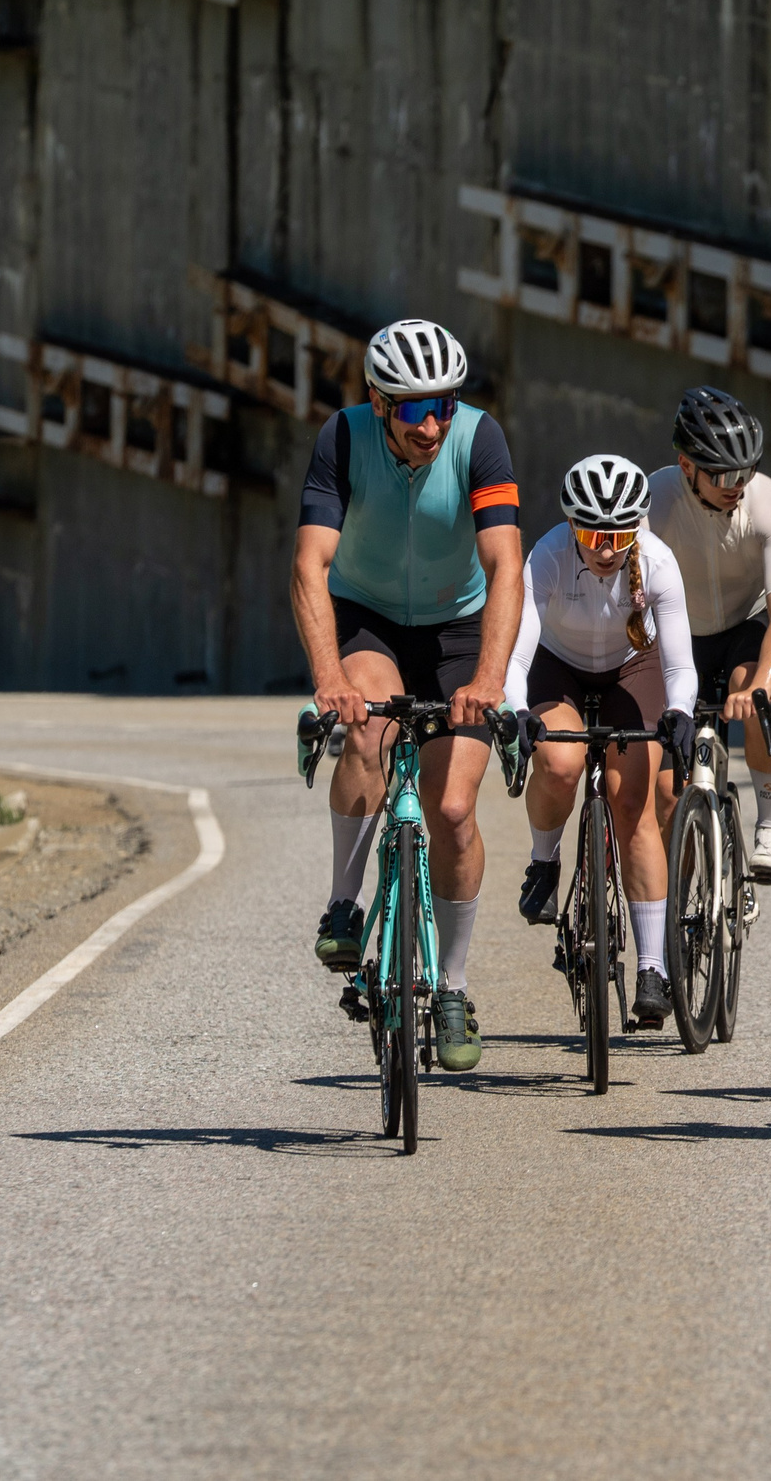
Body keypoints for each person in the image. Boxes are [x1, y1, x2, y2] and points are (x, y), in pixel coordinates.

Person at [292, 320, 523, 1075]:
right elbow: (310, 566)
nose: (433, 424)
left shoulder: (480, 439)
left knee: (453, 809)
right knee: (368, 733)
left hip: (460, 628)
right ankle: (342, 902)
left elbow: (506, 566)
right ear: (378, 401)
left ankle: (452, 985)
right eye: (415, 408)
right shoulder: (342, 438)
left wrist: (489, 680)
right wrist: (329, 678)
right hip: (370, 618)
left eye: (444, 406)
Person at [508, 456, 697, 1030]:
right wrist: (516, 711)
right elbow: (517, 653)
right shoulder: (545, 557)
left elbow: (680, 664)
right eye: (593, 534)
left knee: (632, 804)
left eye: (619, 535)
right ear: (572, 527)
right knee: (560, 763)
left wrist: (681, 714)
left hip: (628, 670)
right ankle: (544, 862)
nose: (607, 548)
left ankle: (652, 968)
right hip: (558, 668)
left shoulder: (659, 563)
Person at [646, 386, 771, 878]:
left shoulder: (768, 502)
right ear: (686, 465)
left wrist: (764, 682)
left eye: (746, 471)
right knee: (669, 805)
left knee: (755, 693)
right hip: (680, 634)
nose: (737, 484)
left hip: (746, 625)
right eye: (723, 474)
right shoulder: (653, 500)